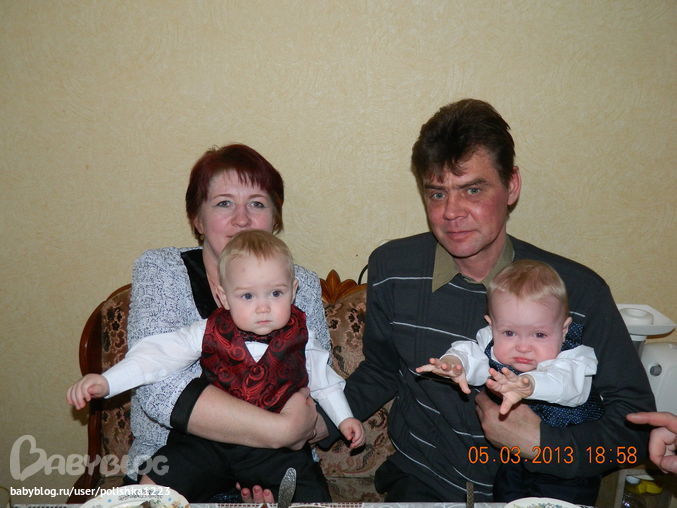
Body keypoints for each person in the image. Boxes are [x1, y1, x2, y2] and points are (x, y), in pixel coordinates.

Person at [316, 98, 655, 504]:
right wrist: (315, 423)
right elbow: (382, 370)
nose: (451, 212)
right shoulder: (393, 267)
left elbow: (635, 433)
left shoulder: (577, 291)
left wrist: (543, 445)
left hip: (540, 491)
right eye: (437, 193)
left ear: (511, 186)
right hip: (424, 483)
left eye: (473, 190)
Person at [68, 231, 364, 501]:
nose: (263, 307)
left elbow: (325, 381)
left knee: (310, 493)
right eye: (247, 295)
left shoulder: (302, 335)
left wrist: (344, 418)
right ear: (224, 296)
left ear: (293, 290)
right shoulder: (207, 330)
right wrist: (107, 382)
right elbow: (156, 356)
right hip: (209, 442)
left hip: (276, 452)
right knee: (157, 481)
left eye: (276, 293)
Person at [125, 144, 330, 501]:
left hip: (275, 467)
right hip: (172, 464)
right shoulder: (162, 270)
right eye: (223, 203)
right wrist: (280, 431)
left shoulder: (302, 284)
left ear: (275, 219)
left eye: (257, 204)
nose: (242, 219)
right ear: (197, 219)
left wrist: (294, 437)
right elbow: (159, 388)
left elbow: (318, 390)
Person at [417, 259, 602, 500]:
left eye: (539, 334)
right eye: (510, 332)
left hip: (567, 464)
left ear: (564, 329)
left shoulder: (574, 357)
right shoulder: (493, 343)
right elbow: (472, 354)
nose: (523, 347)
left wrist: (530, 385)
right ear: (492, 326)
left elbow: (567, 385)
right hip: (513, 456)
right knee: (507, 497)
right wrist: (455, 364)